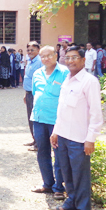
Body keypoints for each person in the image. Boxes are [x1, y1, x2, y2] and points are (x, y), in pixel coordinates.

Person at [51, 46, 103, 210]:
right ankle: (72, 202)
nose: (70, 61)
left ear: (83, 60)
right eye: (67, 58)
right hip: (64, 135)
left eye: (74, 57)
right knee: (67, 172)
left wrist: (91, 139)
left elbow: (96, 113)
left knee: (80, 175)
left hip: (79, 138)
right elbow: (62, 109)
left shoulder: (90, 81)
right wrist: (56, 131)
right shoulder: (67, 79)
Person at [30, 46, 69, 200]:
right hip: (39, 119)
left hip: (56, 120)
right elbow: (35, 93)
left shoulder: (64, 73)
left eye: (49, 55)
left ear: (56, 55)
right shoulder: (37, 73)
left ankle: (59, 187)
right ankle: (47, 183)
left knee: (58, 153)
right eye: (43, 56)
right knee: (42, 152)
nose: (46, 59)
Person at [23, 41, 42, 150]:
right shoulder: (30, 61)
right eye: (28, 50)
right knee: (30, 117)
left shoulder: (39, 62)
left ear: (38, 50)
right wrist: (25, 93)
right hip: (29, 93)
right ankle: (35, 140)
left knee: (36, 118)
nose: (30, 52)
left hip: (35, 94)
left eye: (32, 50)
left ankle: (38, 144)